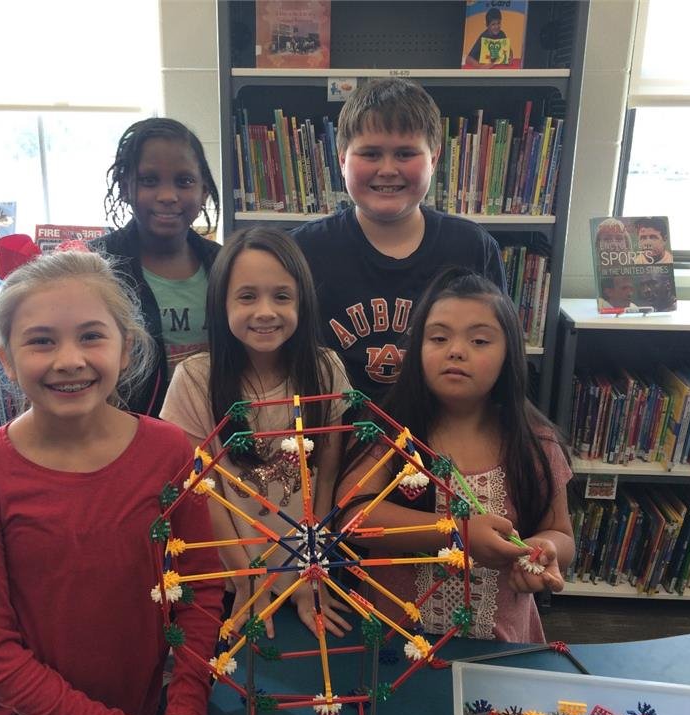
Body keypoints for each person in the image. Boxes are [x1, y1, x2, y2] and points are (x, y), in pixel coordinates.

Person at [0, 251, 223, 715]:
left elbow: (199, 591)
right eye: (41, 342)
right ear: (6, 358)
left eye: (91, 336)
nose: (69, 360)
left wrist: (185, 704)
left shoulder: (170, 452)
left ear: (126, 348)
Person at [335, 269, 574, 643]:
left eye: (479, 340)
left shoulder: (536, 443)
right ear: (417, 350)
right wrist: (456, 533)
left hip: (502, 641)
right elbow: (353, 519)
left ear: (509, 353)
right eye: (439, 337)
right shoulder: (387, 433)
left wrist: (544, 550)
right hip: (394, 641)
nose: (456, 350)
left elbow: (560, 533)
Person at [160, 227, 353, 640]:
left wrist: (309, 570)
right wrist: (248, 578)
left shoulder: (325, 368)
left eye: (282, 296)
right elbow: (201, 489)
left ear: (302, 301)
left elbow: (328, 476)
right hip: (233, 576)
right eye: (247, 296)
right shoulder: (195, 378)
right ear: (221, 303)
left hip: (309, 570)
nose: (265, 311)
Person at [291, 77, 505, 404]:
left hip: (440, 431)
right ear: (342, 158)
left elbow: (497, 354)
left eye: (405, 153)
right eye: (371, 153)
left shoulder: (474, 247)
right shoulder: (302, 251)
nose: (388, 169)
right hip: (332, 437)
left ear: (434, 158)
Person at [92, 117, 222, 417]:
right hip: (129, 431)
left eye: (184, 181)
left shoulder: (223, 264)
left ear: (203, 191)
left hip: (213, 429)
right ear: (125, 188)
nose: (167, 196)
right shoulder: (96, 268)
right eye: (149, 180)